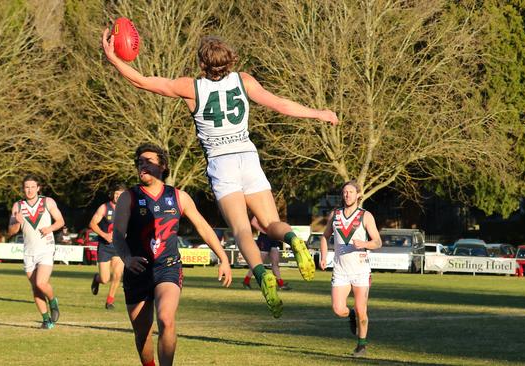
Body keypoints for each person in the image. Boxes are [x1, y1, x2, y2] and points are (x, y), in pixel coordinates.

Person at [103, 32, 338, 318]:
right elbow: (280, 104)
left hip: (221, 162)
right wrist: (318, 113)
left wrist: (113, 57)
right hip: (248, 157)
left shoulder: (191, 88)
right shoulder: (244, 80)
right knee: (271, 222)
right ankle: (293, 239)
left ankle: (262, 274)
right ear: (230, 61)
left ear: (202, 63)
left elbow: (141, 81)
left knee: (241, 230)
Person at [112, 143, 232, 366]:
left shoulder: (179, 197)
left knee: (166, 319)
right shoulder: (128, 197)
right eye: (140, 161)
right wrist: (127, 259)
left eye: (149, 161)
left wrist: (223, 258)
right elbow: (117, 235)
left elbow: (204, 228)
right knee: (142, 334)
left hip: (167, 266)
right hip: (137, 270)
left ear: (163, 165)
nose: (143, 164)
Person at [319, 180, 382, 357]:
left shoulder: (365, 216)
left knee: (363, 312)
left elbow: (378, 242)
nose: (347, 195)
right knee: (338, 309)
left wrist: (364, 243)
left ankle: (361, 345)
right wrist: (323, 256)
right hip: (340, 271)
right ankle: (350, 313)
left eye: (351, 192)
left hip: (361, 271)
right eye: (345, 192)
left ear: (358, 195)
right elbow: (324, 237)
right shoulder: (335, 214)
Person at [7, 175, 65, 329]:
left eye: (33, 187)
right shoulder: (17, 206)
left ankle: (53, 301)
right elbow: (11, 231)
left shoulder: (47, 201)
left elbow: (60, 221)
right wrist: (17, 222)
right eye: (27, 187)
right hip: (28, 251)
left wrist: (50, 229)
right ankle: (46, 320)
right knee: (35, 288)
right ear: (23, 189)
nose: (30, 190)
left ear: (38, 188)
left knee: (41, 282)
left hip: (46, 248)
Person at [89, 184, 127, 310]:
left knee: (117, 274)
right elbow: (92, 224)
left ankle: (110, 301)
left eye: (121, 194)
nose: (118, 196)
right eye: (116, 193)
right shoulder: (104, 207)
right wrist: (104, 235)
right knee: (105, 279)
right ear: (113, 194)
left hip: (119, 247)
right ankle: (97, 278)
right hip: (105, 247)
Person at [243, 217, 290, 290]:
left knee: (275, 262)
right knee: (258, 263)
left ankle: (281, 284)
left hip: (273, 238)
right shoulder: (260, 208)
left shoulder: (272, 209)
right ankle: (246, 281)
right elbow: (253, 222)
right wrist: (264, 231)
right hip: (264, 239)